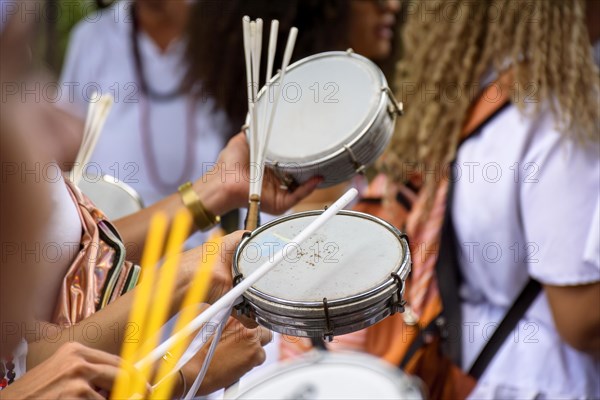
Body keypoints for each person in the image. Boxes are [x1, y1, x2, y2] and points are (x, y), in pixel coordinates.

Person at [371, 0, 599, 398]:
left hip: (476, 369)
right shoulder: (563, 110)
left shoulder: (471, 79)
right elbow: (582, 320)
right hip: (548, 380)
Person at [58, 0, 236, 240]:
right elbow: (63, 149)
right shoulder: (92, 36)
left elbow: (244, 144)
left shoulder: (220, 34)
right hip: (112, 248)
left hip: (198, 244)